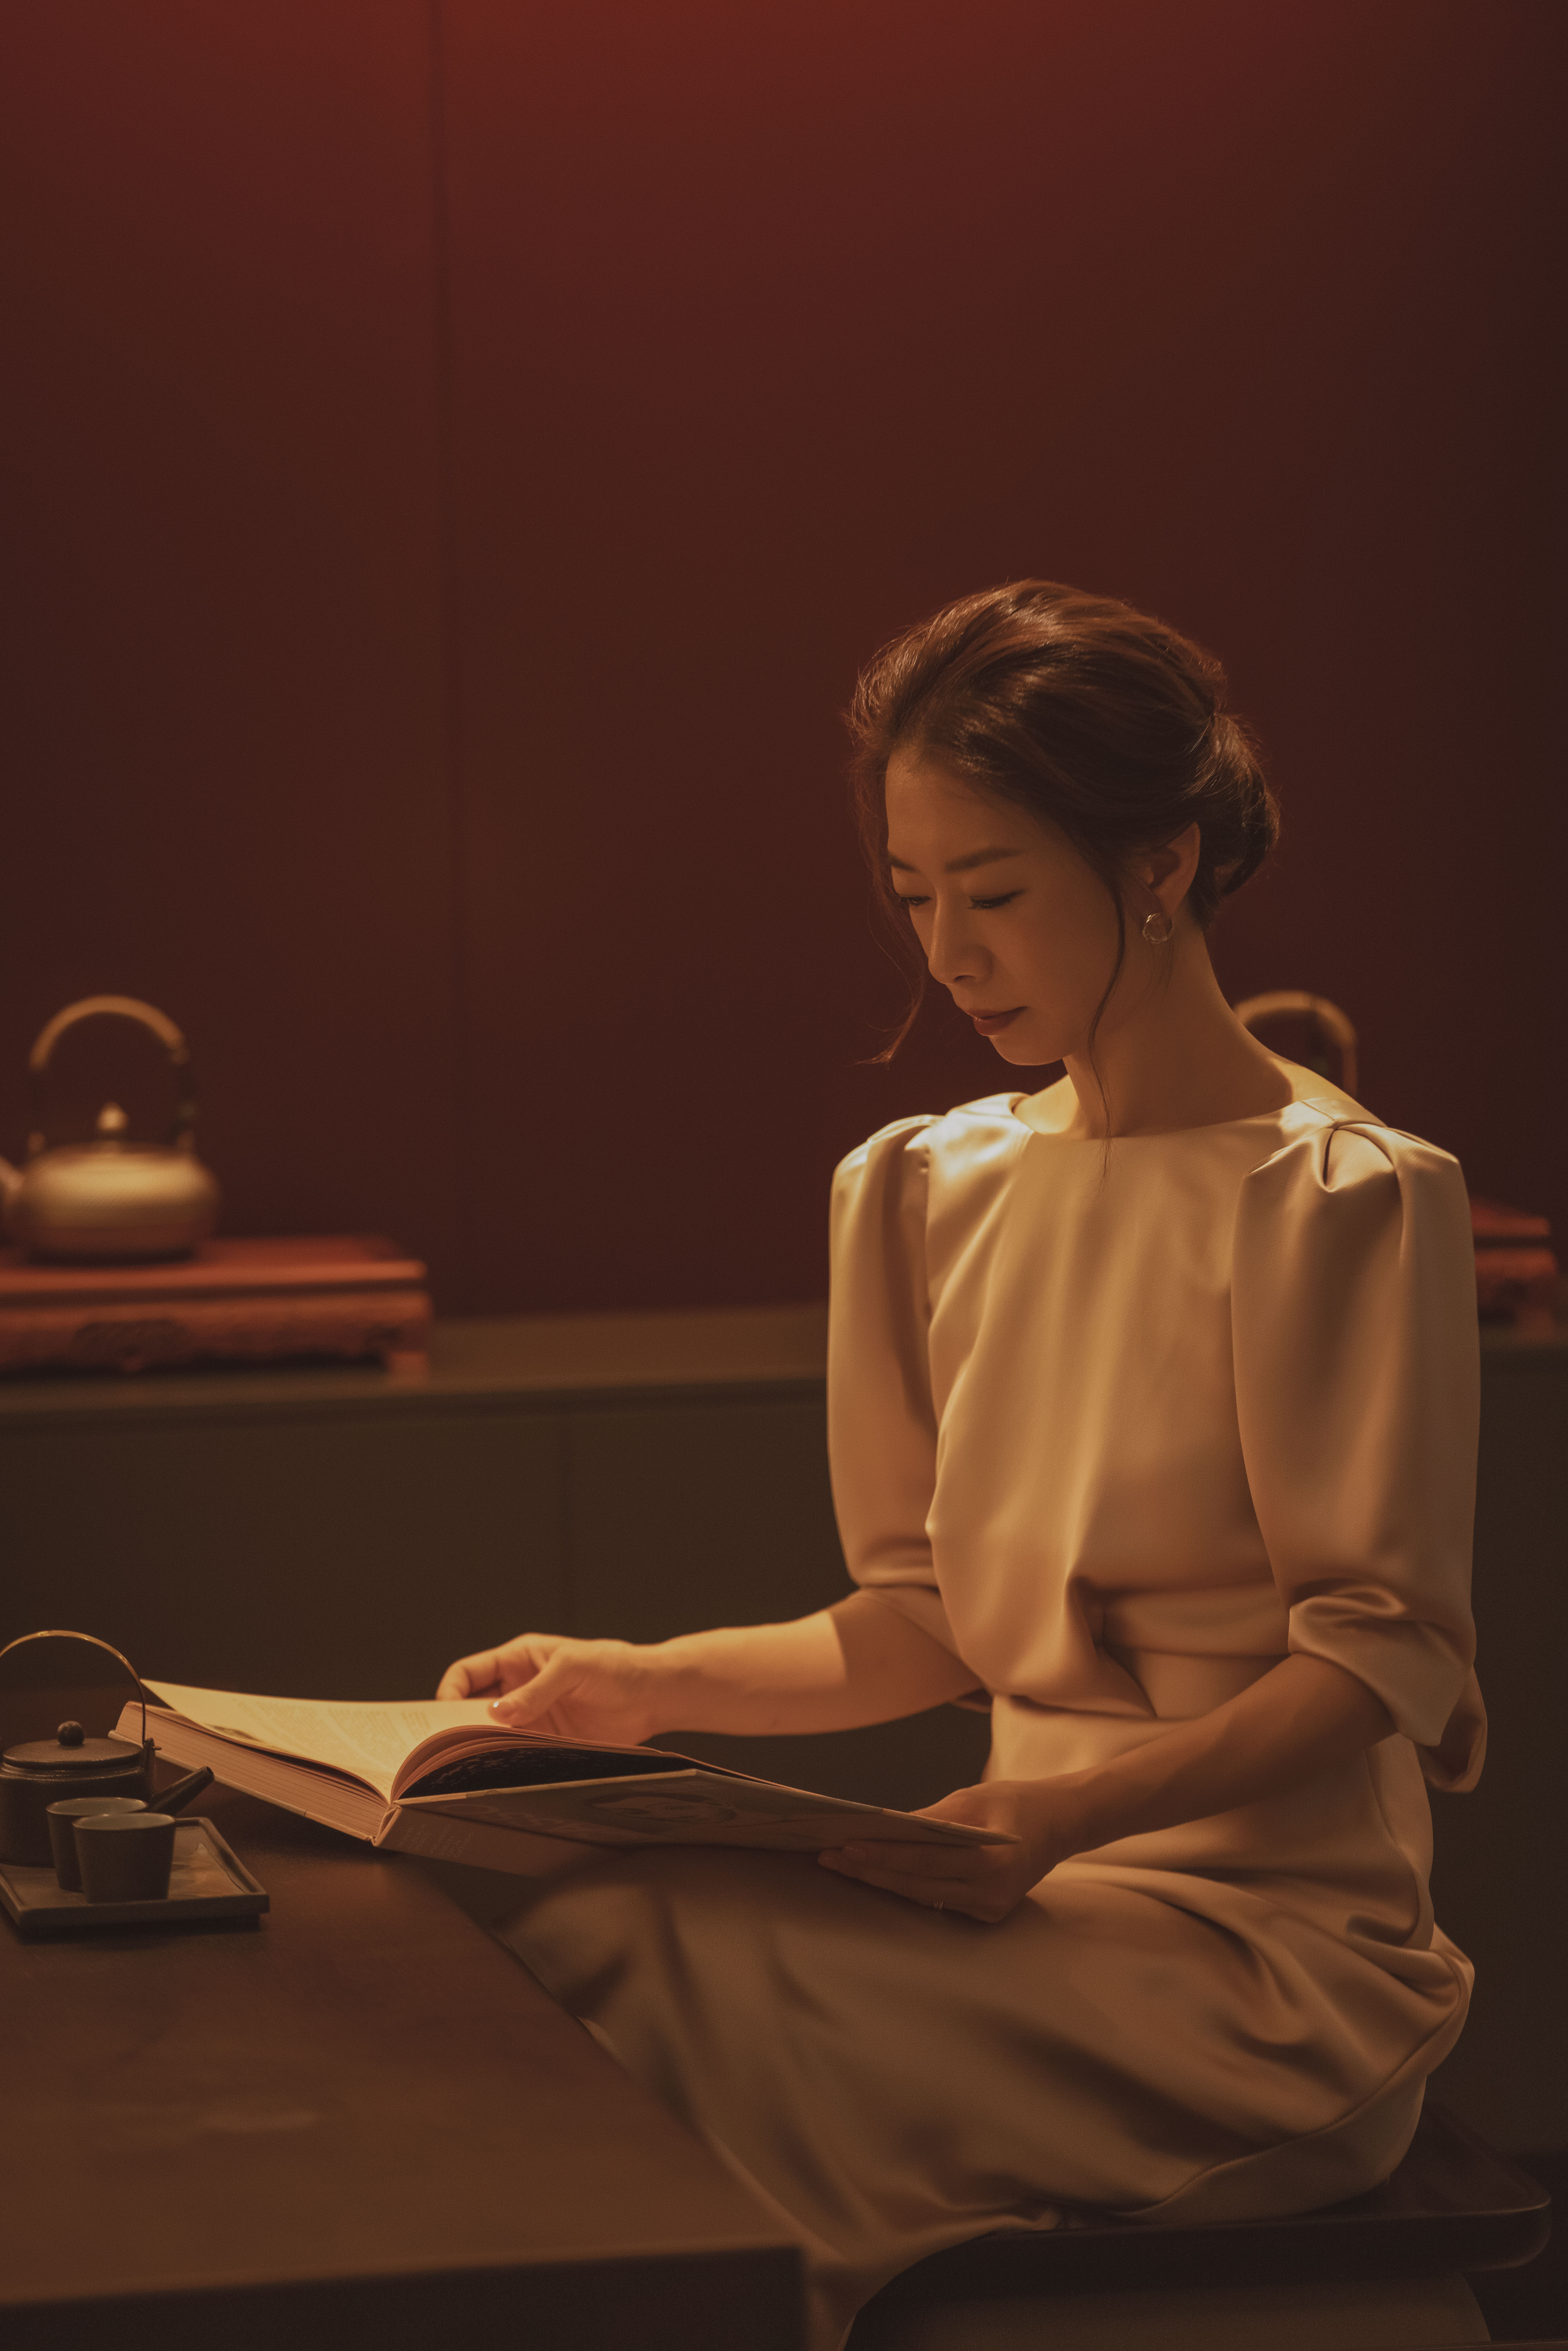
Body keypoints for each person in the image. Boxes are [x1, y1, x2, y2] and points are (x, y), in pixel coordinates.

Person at [438, 582, 1484, 2349]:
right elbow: (920, 1624)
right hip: (1014, 1890)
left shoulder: (1337, 1197)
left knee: (657, 1977)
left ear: (1155, 865)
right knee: (566, 1918)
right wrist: (635, 1684)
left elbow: (1379, 1658)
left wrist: (1060, 1815)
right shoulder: (925, 1187)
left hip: (1254, 1962)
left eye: (991, 894)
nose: (947, 954)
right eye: (914, 898)